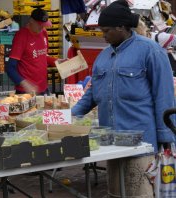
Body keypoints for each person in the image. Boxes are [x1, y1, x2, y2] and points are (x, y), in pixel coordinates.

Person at [72, 0, 175, 197]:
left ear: (122, 27)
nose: (103, 36)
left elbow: (164, 96)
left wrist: (166, 138)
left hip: (142, 144)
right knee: (116, 193)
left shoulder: (150, 51)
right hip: (112, 143)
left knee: (141, 193)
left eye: (106, 30)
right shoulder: (103, 57)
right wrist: (68, 117)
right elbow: (92, 94)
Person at [6, 8, 57, 95]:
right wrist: (25, 84)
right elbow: (10, 67)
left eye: (44, 25)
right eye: (39, 24)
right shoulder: (21, 36)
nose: (42, 27)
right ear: (31, 21)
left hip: (43, 89)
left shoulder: (44, 33)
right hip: (25, 92)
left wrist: (56, 61)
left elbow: (42, 56)